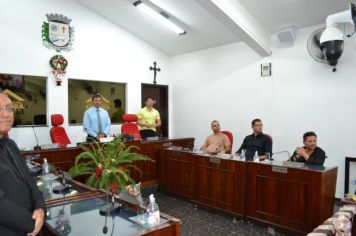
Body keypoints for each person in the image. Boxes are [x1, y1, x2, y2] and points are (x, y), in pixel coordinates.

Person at [0, 92, 45, 235]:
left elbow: (30, 180)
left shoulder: (11, 144)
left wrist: (40, 207)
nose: (6, 114)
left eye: (9, 108)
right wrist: (33, 224)